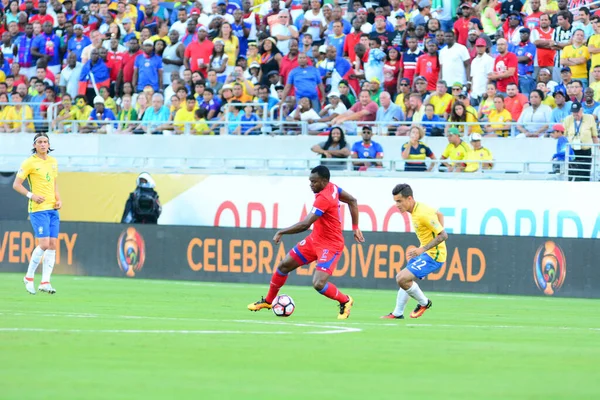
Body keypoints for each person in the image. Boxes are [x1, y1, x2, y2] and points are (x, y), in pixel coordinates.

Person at [247, 165, 365, 320]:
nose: (311, 185)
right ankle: (269, 301)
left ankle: (345, 300)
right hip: (314, 240)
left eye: (314, 182)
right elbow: (352, 200)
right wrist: (355, 227)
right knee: (284, 266)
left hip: (330, 245)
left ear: (324, 181)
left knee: (318, 284)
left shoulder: (324, 198)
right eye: (310, 181)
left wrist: (282, 231)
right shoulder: (333, 188)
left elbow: (305, 224)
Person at [382, 183, 448, 319]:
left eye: (399, 201)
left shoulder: (422, 214)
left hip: (434, 256)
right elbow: (439, 214)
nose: (397, 205)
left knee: (401, 278)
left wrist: (422, 249)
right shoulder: (417, 209)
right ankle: (398, 313)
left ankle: (424, 303)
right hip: (426, 252)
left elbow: (443, 235)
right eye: (395, 201)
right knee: (405, 279)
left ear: (410, 199)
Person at [12, 133, 61, 295]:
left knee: (53, 245)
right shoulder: (29, 163)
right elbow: (16, 184)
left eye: (45, 142)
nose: (43, 144)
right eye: (39, 142)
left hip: (52, 209)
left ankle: (45, 282)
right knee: (44, 244)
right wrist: (31, 195)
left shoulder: (53, 162)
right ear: (35, 145)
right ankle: (29, 277)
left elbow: (54, 183)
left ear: (48, 145)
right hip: (38, 209)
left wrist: (58, 199)